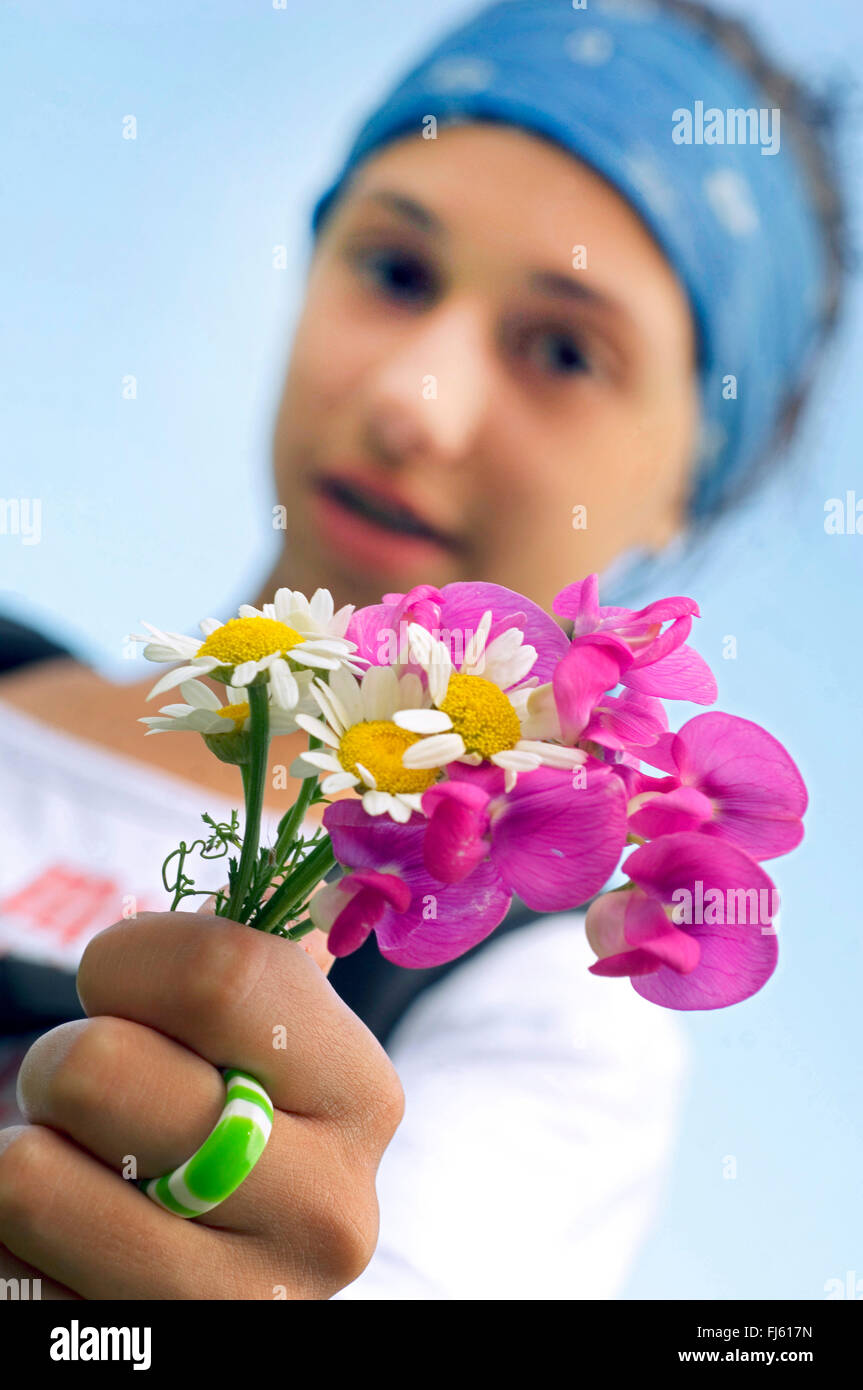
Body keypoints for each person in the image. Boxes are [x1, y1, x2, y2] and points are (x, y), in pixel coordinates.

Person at [0, 0, 847, 1299]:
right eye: (394, 271)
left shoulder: (547, 1004)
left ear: (688, 479)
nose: (415, 401)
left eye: (564, 349)